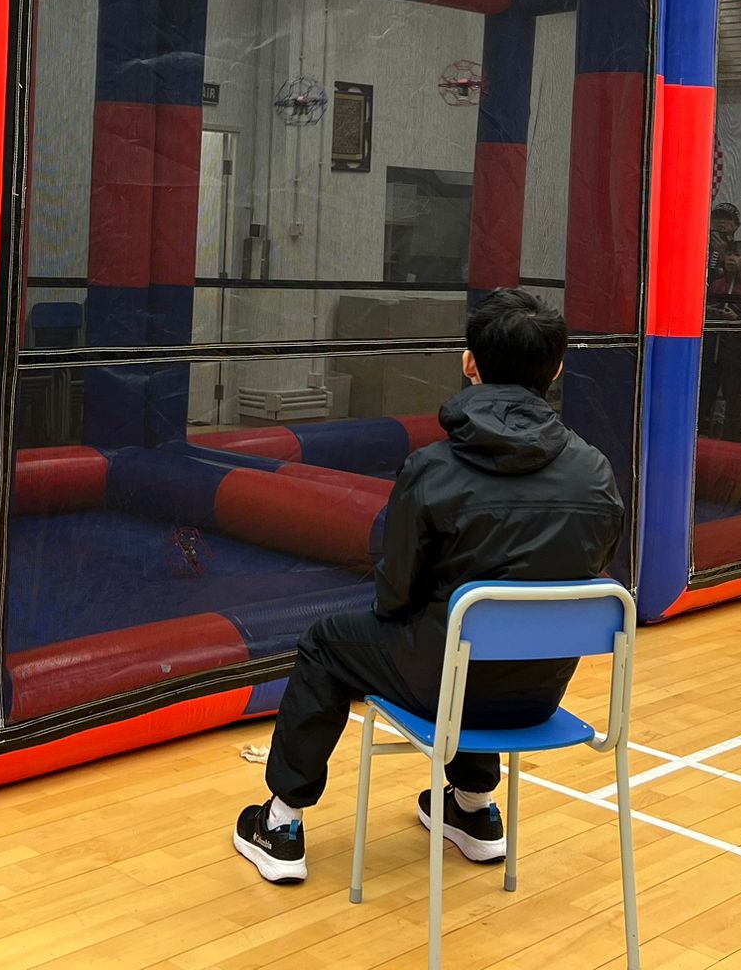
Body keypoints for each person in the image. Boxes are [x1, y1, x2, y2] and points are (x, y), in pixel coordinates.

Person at [231, 290, 627, 884]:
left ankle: (281, 823)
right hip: (539, 694)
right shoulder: (595, 470)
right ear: (557, 369)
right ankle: (473, 808)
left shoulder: (433, 468)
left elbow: (394, 595)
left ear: (470, 363)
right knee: (471, 637)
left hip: (446, 684)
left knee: (328, 642)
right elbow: (588, 568)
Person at [700, 240, 741, 440]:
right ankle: (699, 436)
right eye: (729, 254)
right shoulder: (717, 285)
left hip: (739, 355)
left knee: (734, 400)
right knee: (705, 396)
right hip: (712, 351)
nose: (731, 258)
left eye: (737, 255)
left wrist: (737, 320)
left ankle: (732, 440)